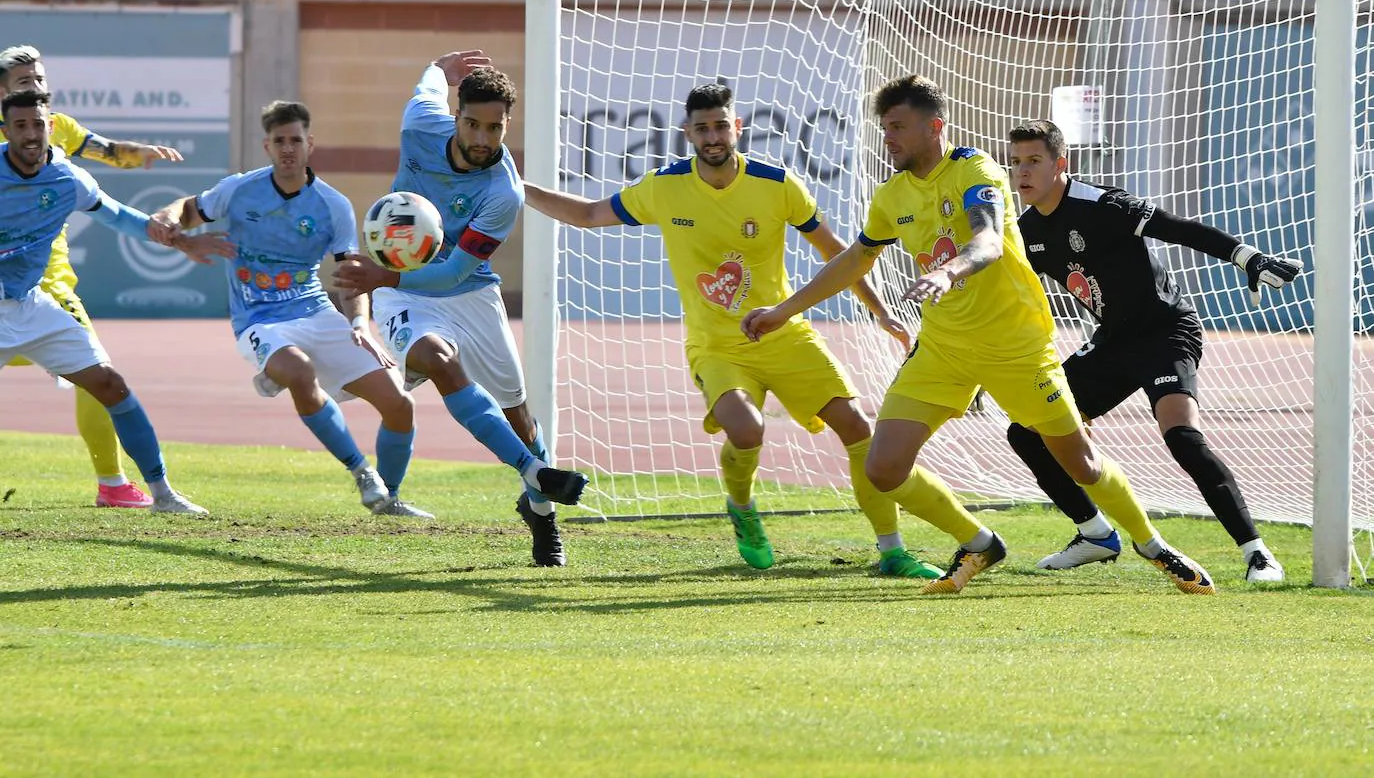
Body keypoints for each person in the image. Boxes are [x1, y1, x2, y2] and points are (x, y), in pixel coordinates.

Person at [743, 75, 1218, 595]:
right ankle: (979, 541)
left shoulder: (976, 170)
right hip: (944, 349)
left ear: (935, 127)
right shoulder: (892, 195)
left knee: (1080, 462)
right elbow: (855, 259)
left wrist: (948, 271)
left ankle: (1153, 545)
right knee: (883, 466)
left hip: (1015, 347)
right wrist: (784, 310)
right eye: (885, 129)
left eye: (899, 127)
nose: (890, 139)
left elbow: (989, 240)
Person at [523, 82, 940, 577]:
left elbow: (837, 252)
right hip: (716, 345)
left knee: (857, 427)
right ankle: (741, 508)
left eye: (721, 125)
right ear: (687, 134)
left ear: (736, 127)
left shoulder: (777, 183)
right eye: (702, 128)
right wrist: (518, 188)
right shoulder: (663, 185)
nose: (713, 135)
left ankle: (891, 550)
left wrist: (879, 310)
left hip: (786, 335)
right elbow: (588, 215)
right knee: (747, 430)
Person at [1007, 119, 1298, 582]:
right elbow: (1006, 298)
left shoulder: (1104, 204)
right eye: (1016, 162)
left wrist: (1249, 257)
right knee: (1025, 432)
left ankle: (1258, 554)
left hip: (1166, 331)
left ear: (1061, 164)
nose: (1022, 172)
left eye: (1034, 161)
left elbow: (1179, 229)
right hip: (1112, 343)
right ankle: (1094, 535)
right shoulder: (1024, 232)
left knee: (1181, 436)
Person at [335, 51, 588, 565]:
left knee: (519, 414)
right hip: (406, 293)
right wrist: (438, 65)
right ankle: (534, 472)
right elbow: (426, 87)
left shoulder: (503, 192)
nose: (481, 139)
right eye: (472, 124)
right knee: (438, 360)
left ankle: (539, 511)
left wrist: (382, 273)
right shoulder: (420, 127)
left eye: (493, 129)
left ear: (505, 126)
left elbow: (454, 271)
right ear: (456, 117)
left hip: (468, 291)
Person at [151, 101, 417, 515]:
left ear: (310, 144)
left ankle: (391, 499)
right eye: (280, 141)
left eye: (296, 140)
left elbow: (350, 278)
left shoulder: (333, 205)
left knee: (400, 404)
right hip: (258, 318)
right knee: (299, 370)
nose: (288, 148)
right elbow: (187, 210)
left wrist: (361, 323)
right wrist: (173, 222)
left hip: (314, 310)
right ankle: (362, 473)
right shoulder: (240, 189)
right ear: (267, 146)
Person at [0, 89, 230, 513]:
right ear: (7, 130)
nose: (31, 134)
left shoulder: (68, 179)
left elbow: (119, 216)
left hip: (30, 305)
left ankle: (162, 494)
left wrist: (181, 242)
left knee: (110, 384)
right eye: (20, 126)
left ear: (50, 127)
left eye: (37, 124)